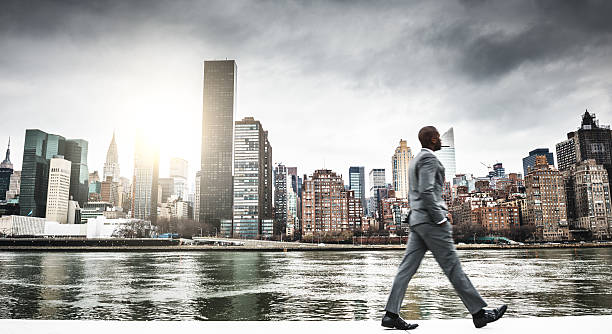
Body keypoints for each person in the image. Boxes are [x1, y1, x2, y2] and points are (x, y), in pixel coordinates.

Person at [381, 126, 507, 330]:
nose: (440, 141)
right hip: (432, 222)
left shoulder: (414, 161)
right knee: (452, 267)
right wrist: (440, 218)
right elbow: (427, 190)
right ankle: (479, 313)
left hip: (417, 222)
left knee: (405, 269)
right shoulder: (429, 160)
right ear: (432, 140)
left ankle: (391, 314)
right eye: (438, 138)